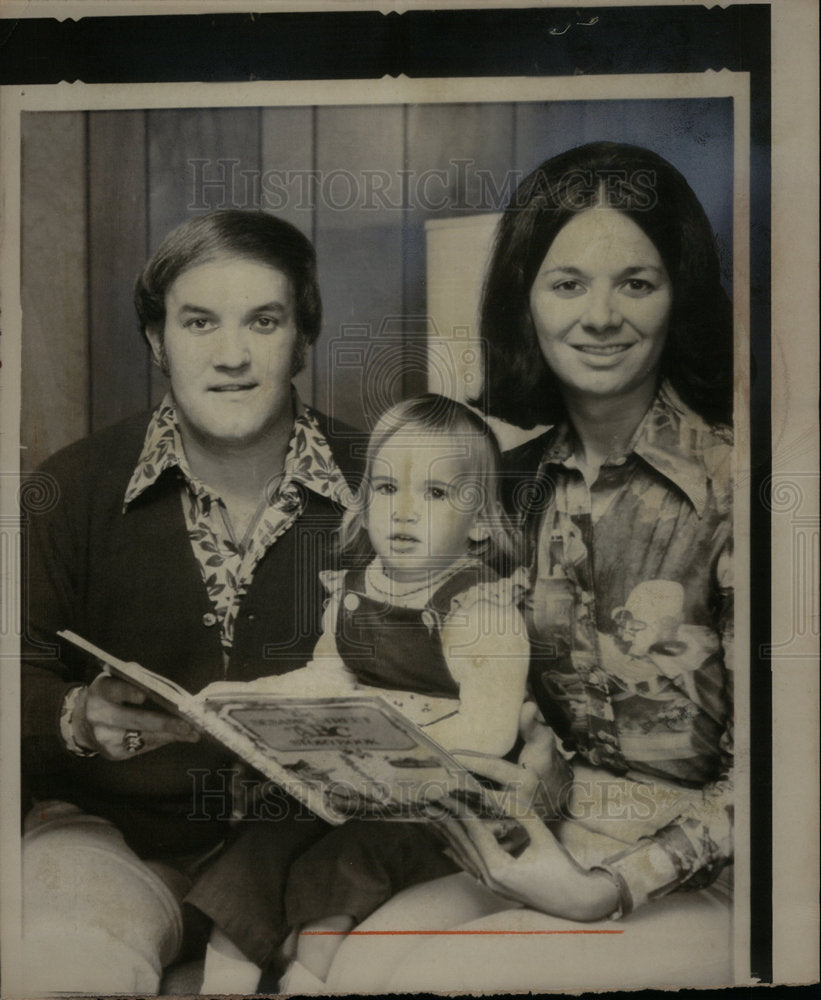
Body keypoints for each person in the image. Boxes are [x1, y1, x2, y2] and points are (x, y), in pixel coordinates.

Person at [322, 141, 735, 992]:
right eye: (566, 282)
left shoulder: (739, 485)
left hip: (719, 872)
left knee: (421, 981)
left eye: (637, 282)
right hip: (557, 835)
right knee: (358, 965)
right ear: (525, 299)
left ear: (678, 296)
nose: (600, 316)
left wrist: (607, 891)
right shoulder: (503, 486)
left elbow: (792, 777)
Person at [19, 209, 364, 994]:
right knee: (66, 960)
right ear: (156, 340)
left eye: (264, 322)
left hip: (327, 855)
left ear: (302, 339)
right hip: (117, 842)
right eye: (199, 322)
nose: (232, 356)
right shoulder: (68, 489)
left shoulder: (392, 483)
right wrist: (77, 715)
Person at [188, 393, 531, 992]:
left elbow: (491, 731)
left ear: (479, 522)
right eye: (385, 488)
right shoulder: (355, 588)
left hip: (438, 804)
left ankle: (307, 979)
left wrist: (386, 749)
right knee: (259, 844)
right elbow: (329, 676)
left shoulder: (481, 609)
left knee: (346, 863)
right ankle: (224, 982)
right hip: (352, 785)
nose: (402, 513)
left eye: (434, 494)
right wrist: (251, 700)